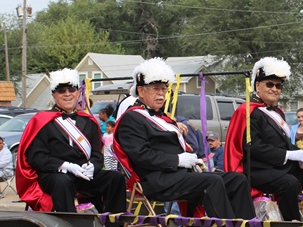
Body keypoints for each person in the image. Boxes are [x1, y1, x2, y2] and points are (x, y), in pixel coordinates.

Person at [113, 57, 256, 219]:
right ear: (140, 91)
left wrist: (193, 160)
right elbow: (142, 156)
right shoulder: (131, 119)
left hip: (180, 175)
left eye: (163, 89)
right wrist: (178, 160)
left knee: (238, 180)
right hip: (158, 180)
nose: (161, 94)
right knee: (212, 183)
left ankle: (248, 223)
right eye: (155, 89)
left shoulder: (161, 117)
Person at [225, 57, 303, 221]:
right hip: (260, 170)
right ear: (257, 85)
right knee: (290, 183)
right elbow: (253, 148)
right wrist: (288, 155)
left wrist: (300, 154)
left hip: (284, 167)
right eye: (269, 84)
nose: (275, 89)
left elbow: (284, 143)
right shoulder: (248, 112)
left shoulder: (278, 112)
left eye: (278, 86)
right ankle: (291, 222)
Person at [15, 68, 126, 225]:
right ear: (54, 95)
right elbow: (36, 157)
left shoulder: (88, 121)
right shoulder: (42, 121)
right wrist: (65, 166)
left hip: (82, 174)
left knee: (115, 178)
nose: (67, 94)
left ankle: (114, 223)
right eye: (61, 90)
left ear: (77, 93)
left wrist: (93, 166)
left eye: (71, 89)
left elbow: (96, 155)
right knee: (63, 182)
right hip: (54, 174)